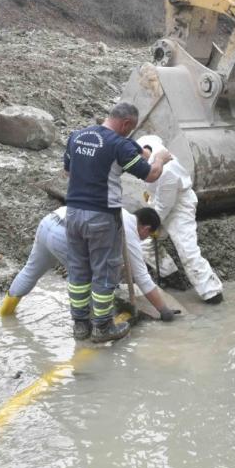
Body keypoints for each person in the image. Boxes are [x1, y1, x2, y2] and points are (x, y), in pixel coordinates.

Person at [63, 101, 172, 343]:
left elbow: (69, 172)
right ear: (126, 124)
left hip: (73, 213)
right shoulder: (118, 145)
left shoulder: (77, 137)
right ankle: (102, 327)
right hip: (102, 216)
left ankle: (80, 326)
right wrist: (161, 158)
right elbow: (151, 173)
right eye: (130, 129)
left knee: (79, 271)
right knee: (105, 271)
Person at [0, 206, 180, 323]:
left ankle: (4, 315)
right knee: (89, 280)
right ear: (145, 228)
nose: (144, 239)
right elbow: (141, 276)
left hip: (50, 221)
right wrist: (164, 311)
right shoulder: (130, 230)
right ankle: (96, 327)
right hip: (66, 235)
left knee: (31, 271)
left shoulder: (120, 212)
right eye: (147, 236)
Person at [135, 135, 224, 304]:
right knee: (144, 244)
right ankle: (173, 277)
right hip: (160, 199)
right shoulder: (144, 143)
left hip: (179, 206)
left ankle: (212, 293)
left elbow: (164, 207)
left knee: (187, 250)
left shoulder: (167, 171)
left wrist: (151, 226)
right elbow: (155, 137)